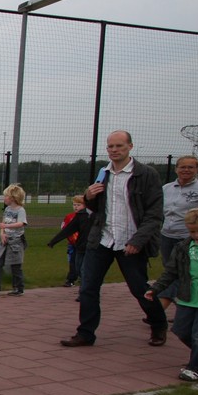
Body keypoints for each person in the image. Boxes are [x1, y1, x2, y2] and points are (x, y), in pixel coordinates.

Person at [61, 131, 168, 348]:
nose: (114, 150)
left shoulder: (146, 174)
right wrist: (89, 197)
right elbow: (96, 208)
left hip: (130, 242)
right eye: (110, 146)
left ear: (130, 146)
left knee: (139, 288)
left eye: (119, 146)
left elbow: (154, 214)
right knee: (88, 288)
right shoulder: (104, 173)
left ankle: (158, 324)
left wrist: (138, 241)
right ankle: (85, 333)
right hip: (102, 239)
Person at [146, 206, 198, 381]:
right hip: (187, 298)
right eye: (192, 231)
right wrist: (156, 288)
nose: (197, 235)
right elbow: (171, 272)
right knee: (181, 330)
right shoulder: (183, 248)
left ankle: (196, 369)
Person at [157, 155, 198, 314]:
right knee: (170, 271)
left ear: (197, 169)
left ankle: (159, 310)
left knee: (183, 272)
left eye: (191, 167)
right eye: (183, 167)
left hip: (189, 238)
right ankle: (184, 308)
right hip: (167, 235)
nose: (186, 170)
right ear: (176, 169)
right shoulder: (166, 188)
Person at [0, 184, 28, 296]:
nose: (4, 198)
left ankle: (18, 288)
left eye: (6, 196)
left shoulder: (21, 210)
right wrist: (2, 234)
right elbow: (3, 223)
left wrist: (6, 226)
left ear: (13, 198)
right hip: (5, 240)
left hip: (16, 242)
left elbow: (21, 223)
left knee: (15, 265)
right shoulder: (7, 209)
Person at [48, 195, 89, 287]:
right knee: (73, 263)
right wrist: (54, 241)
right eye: (74, 205)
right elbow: (65, 229)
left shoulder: (88, 216)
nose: (76, 207)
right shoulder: (70, 217)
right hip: (73, 244)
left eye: (79, 205)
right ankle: (71, 279)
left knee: (84, 264)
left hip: (85, 245)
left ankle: (85, 281)